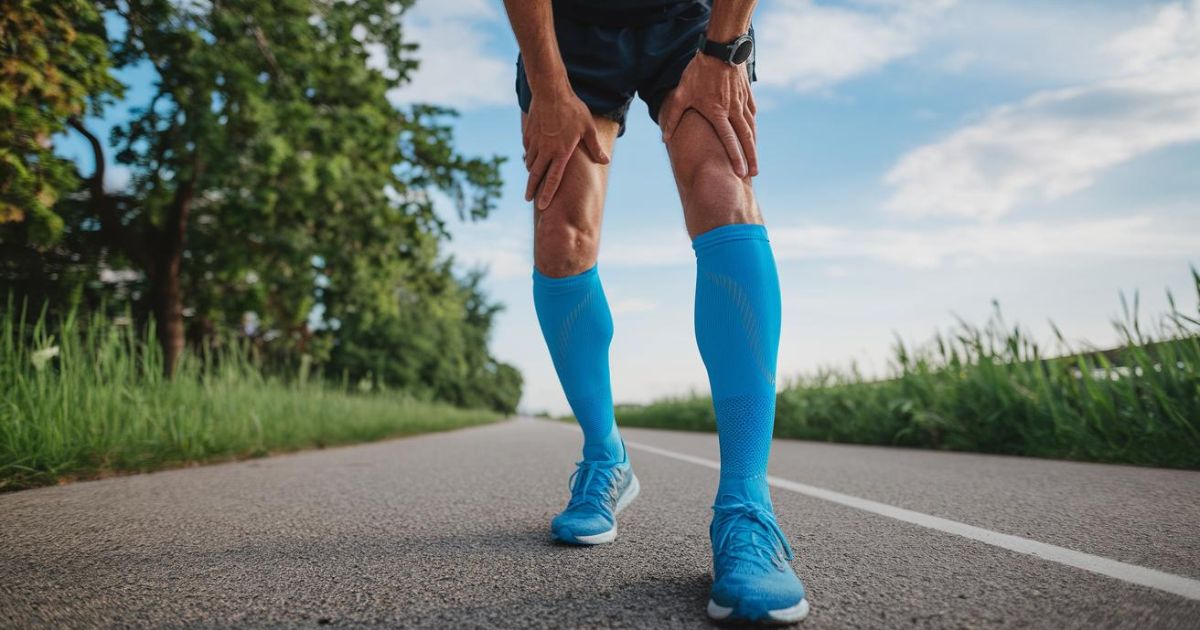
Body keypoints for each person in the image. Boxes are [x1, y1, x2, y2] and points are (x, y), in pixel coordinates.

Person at [502, 0, 809, 624]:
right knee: (561, 241)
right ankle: (604, 458)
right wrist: (547, 86)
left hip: (692, 19)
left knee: (724, 193)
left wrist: (725, 49)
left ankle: (746, 508)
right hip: (571, 29)